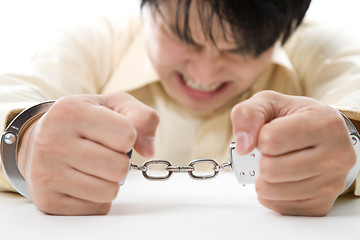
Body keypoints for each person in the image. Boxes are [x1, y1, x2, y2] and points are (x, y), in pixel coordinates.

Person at [0, 0, 359, 216]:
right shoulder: (89, 41)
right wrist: (24, 144)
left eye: (240, 48)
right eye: (182, 37)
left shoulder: (324, 48)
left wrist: (349, 147)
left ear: (282, 35)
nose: (204, 73)